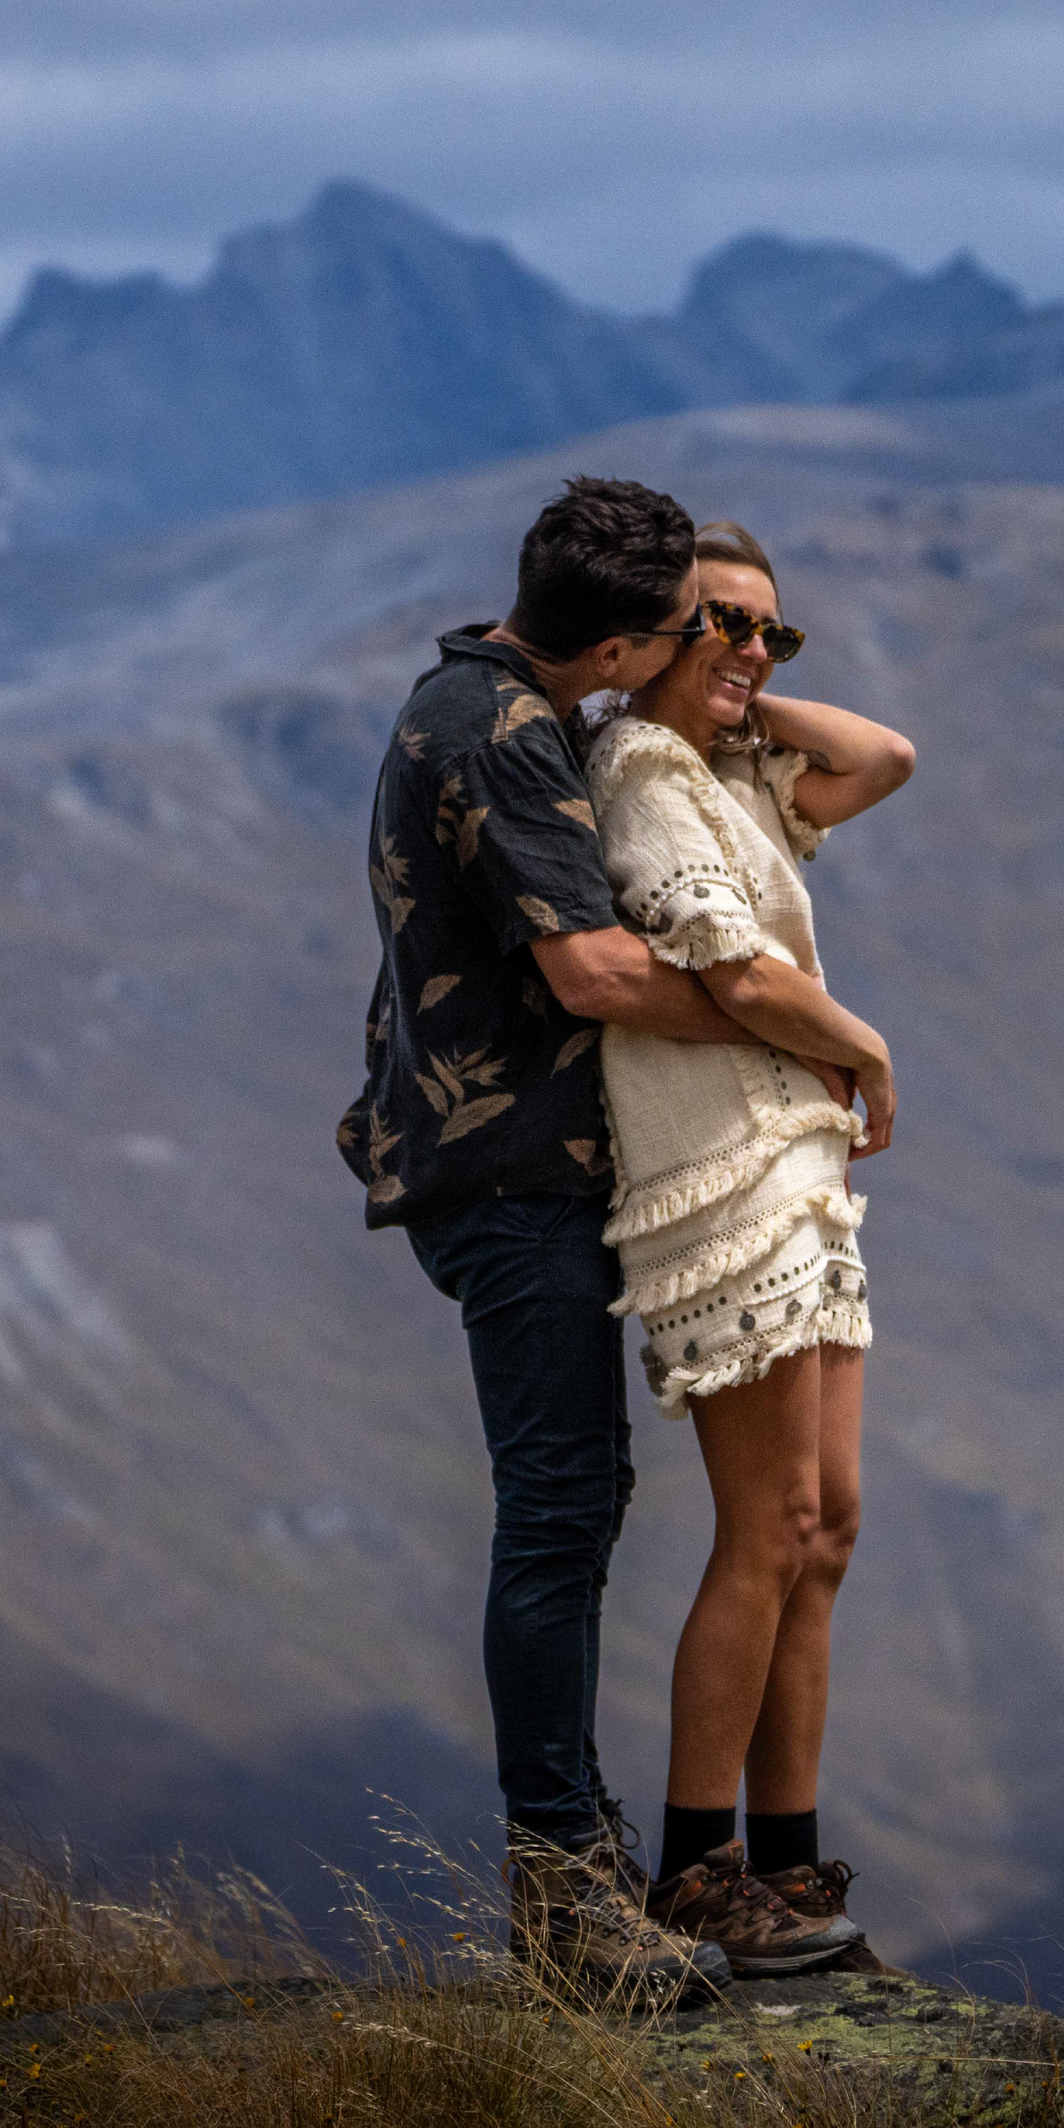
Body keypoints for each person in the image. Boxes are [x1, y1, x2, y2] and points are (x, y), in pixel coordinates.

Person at [337, 475, 757, 2001]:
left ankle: (575, 1868)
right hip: (510, 1172)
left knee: (571, 1505)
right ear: (626, 646)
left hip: (500, 1166)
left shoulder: (480, 695)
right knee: (560, 1511)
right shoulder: (508, 734)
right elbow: (590, 969)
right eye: (680, 632)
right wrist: (776, 1022)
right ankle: (567, 1896)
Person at [581, 520, 917, 1976]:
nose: (754, 648)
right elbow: (734, 969)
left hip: (803, 1168)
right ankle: (699, 1866)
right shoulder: (643, 781)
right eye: (719, 621)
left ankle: (786, 1857)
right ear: (653, 632)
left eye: (774, 629)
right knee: (766, 1522)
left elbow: (885, 756)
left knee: (827, 1525)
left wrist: (740, 689)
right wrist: (867, 1045)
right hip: (721, 1176)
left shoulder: (733, 771)